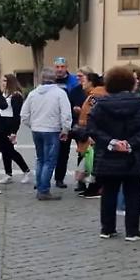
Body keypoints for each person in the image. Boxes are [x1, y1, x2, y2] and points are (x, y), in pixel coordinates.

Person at [87, 67, 140, 241]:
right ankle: (132, 231)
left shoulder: (100, 104)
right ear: (132, 83)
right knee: (133, 193)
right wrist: (130, 143)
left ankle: (107, 228)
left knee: (109, 192)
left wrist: (111, 142)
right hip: (134, 156)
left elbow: (92, 128)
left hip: (108, 155)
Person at [19, 68, 73, 201]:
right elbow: (66, 114)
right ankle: (44, 190)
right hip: (52, 129)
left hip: (37, 130)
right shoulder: (60, 93)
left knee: (40, 159)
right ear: (54, 79)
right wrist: (65, 129)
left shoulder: (33, 94)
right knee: (49, 161)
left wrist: (32, 124)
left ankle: (40, 185)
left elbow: (24, 115)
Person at [52, 57, 86, 189]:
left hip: (77, 122)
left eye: (62, 67)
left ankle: (81, 181)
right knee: (62, 153)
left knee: (82, 151)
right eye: (57, 67)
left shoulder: (74, 81)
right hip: (61, 123)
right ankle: (59, 179)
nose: (60, 69)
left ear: (66, 67)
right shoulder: (51, 82)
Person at [0, 74, 32, 184]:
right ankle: (8, 173)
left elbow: (17, 115)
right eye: (2, 81)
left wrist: (14, 131)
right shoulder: (2, 94)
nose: (3, 83)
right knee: (5, 151)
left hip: (9, 124)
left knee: (10, 151)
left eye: (5, 80)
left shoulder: (15, 96)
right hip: (1, 124)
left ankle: (26, 170)